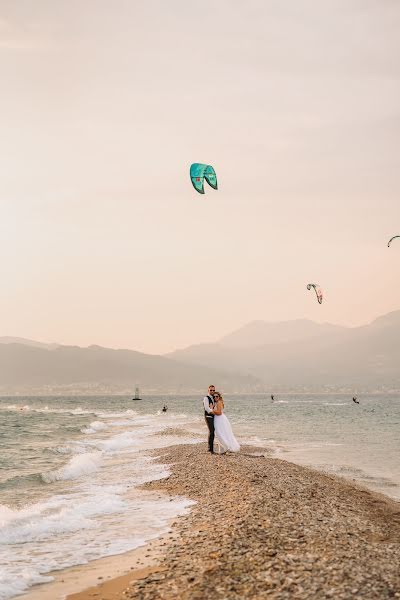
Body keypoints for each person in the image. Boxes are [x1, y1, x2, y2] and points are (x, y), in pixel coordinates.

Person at [203, 385, 216, 453]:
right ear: (208, 390)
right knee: (211, 431)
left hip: (213, 416)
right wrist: (213, 412)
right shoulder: (206, 398)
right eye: (211, 390)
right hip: (208, 416)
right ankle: (210, 449)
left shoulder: (214, 398)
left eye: (213, 390)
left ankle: (211, 448)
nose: (212, 391)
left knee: (213, 431)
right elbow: (207, 409)